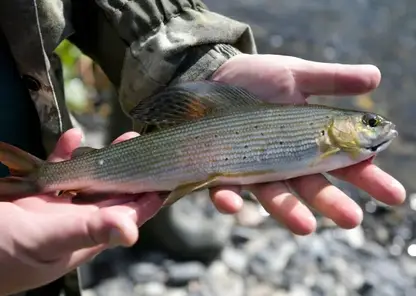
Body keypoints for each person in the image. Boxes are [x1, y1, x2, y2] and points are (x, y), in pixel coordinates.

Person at [0, 1, 406, 295]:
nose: (379, 127)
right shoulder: (321, 138)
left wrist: (196, 60)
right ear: (338, 130)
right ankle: (42, 179)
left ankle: (51, 183)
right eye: (369, 122)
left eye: (372, 122)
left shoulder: (328, 139)